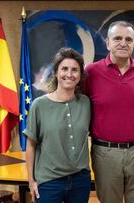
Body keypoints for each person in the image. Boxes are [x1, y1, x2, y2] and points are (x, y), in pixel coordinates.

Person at [83, 21, 134, 203]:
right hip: (105, 153)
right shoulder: (91, 72)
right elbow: (79, 107)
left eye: (128, 39)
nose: (123, 43)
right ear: (107, 43)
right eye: (118, 38)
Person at [24, 47, 91, 203]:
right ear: (55, 72)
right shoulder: (39, 105)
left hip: (80, 180)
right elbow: (31, 145)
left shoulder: (86, 103)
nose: (69, 74)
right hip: (49, 182)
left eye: (75, 70)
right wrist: (31, 181)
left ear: (80, 75)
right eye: (64, 69)